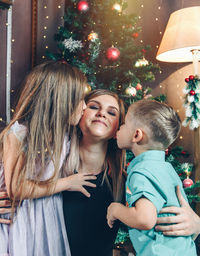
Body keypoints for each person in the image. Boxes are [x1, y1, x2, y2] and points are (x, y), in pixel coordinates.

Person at [0, 60, 97, 256]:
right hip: (18, 221)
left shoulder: (65, 138)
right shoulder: (19, 134)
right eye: (80, 99)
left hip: (45, 219)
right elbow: (16, 188)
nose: (85, 107)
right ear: (60, 101)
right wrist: (67, 183)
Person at [107, 99, 197, 255]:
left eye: (124, 123)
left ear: (136, 135)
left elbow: (144, 218)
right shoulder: (166, 168)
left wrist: (115, 209)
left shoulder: (142, 171)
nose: (119, 127)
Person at [62, 89, 126, 256]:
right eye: (93, 107)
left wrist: (194, 223)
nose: (102, 114)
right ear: (79, 114)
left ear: (117, 131)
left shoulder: (125, 182)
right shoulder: (53, 171)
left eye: (111, 112)